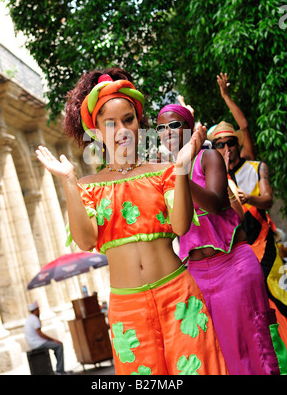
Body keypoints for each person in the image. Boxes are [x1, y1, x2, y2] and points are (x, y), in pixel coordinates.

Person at [35, 68, 228, 376]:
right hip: (128, 309)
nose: (121, 129)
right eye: (110, 123)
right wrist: (69, 181)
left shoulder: (163, 171)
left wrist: (180, 169)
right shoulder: (89, 186)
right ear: (96, 132)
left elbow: (181, 226)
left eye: (128, 119)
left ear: (139, 123)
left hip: (179, 295)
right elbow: (86, 241)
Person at [157, 103, 286, 375]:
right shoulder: (164, 172)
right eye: (160, 128)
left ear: (190, 129)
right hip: (197, 275)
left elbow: (216, 203)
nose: (167, 132)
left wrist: (179, 174)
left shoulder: (208, 158)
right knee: (220, 354)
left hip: (233, 265)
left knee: (254, 347)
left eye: (174, 125)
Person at [208, 120, 287, 350]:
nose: (227, 149)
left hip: (266, 248)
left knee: (281, 297)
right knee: (255, 310)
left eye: (230, 143)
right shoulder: (215, 179)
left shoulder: (255, 167)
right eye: (220, 145)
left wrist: (248, 198)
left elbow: (269, 199)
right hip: (239, 256)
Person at [24, 302, 65, 374]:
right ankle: (60, 370)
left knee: (56, 346)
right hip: (37, 343)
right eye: (38, 309)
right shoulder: (34, 319)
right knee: (59, 345)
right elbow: (40, 334)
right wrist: (54, 340)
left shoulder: (29, 318)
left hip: (33, 343)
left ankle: (59, 368)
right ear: (36, 310)